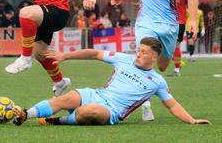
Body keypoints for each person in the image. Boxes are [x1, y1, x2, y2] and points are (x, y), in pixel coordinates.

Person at [12, 37, 211, 126]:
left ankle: (57, 121)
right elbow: (95, 53)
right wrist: (66, 56)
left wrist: (191, 120)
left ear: (154, 58)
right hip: (98, 94)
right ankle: (25, 114)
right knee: (68, 97)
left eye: (143, 52)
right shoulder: (123, 58)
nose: (138, 54)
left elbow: (172, 105)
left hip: (111, 111)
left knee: (89, 111)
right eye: (138, 50)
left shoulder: (157, 82)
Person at [110, 0, 199, 121]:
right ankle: (145, 104)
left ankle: (156, 86)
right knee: (143, 58)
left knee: (162, 66)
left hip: (168, 25)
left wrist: (192, 20)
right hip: (145, 21)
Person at [168, 0, 187, 77]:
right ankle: (178, 62)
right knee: (164, 46)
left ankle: (177, 70)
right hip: (173, 22)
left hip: (177, 22)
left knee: (175, 46)